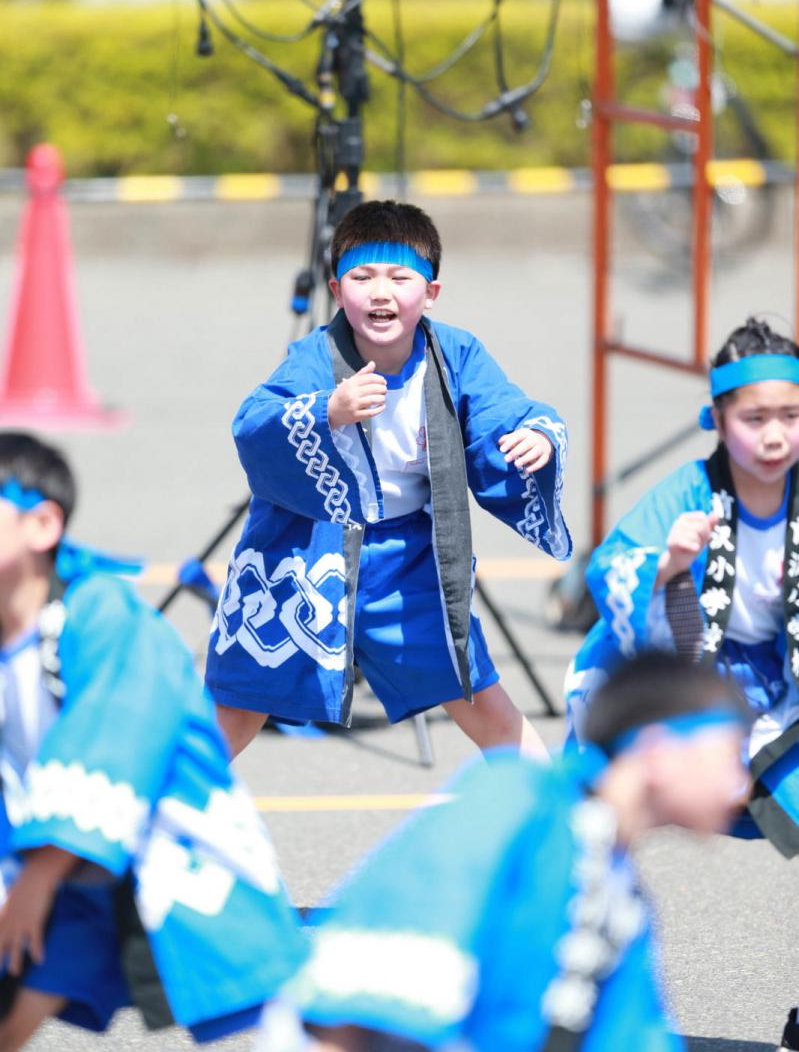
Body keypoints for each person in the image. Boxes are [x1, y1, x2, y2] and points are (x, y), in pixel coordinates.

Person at [224, 651, 749, 1052]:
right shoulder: (518, 794)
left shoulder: (619, 890)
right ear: (659, 752)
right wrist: (344, 1042)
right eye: (727, 755)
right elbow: (416, 891)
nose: (740, 783)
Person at [205, 200, 571, 760]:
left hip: (410, 563)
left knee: (479, 696)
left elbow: (503, 409)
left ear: (431, 292)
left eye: (401, 277)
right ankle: (140, 818)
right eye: (362, 277)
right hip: (307, 558)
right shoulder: (312, 358)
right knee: (238, 707)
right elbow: (255, 422)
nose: (381, 292)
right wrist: (327, 408)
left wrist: (537, 436)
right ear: (336, 288)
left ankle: (560, 822)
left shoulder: (455, 354)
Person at [0, 432, 307, 1052]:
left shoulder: (102, 615)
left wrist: (36, 876)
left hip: (165, 862)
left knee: (302, 1044)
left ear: (42, 524)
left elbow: (113, 740)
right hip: (57, 876)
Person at [564, 316, 799, 1052]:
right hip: (676, 679)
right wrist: (667, 569)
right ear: (717, 420)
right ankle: (550, 985)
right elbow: (609, 575)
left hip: (779, 689)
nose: (773, 436)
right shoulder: (686, 494)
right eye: (753, 418)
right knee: (589, 826)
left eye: (790, 416)